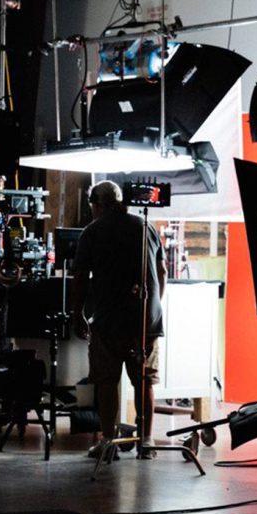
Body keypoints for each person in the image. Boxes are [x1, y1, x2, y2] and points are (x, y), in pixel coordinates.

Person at [70, 180, 165, 460]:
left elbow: (79, 278)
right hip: (145, 322)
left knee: (107, 381)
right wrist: (154, 307)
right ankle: (146, 442)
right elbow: (161, 270)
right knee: (144, 381)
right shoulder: (145, 226)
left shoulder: (92, 231)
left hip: (109, 320)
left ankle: (108, 441)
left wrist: (78, 314)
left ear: (97, 204)